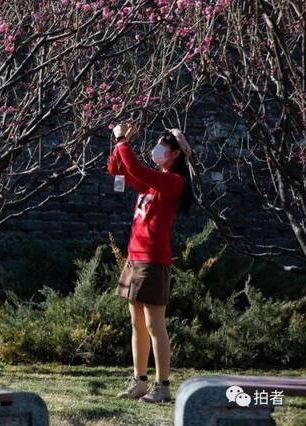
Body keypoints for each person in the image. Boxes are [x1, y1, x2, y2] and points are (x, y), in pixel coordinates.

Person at [107, 125, 193, 403]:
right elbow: (117, 170)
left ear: (176, 153)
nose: (157, 149)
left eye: (163, 146)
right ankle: (140, 380)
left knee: (155, 324)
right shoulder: (153, 182)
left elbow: (137, 168)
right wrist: (118, 144)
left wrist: (122, 140)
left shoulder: (174, 181)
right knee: (137, 324)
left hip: (154, 260)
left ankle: (163, 385)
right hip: (135, 256)